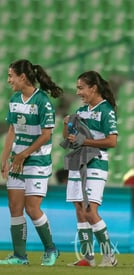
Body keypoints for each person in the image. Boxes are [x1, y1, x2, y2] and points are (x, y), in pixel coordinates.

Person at [0, 59, 62, 266]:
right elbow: (12, 130)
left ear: (22, 77)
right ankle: (19, 256)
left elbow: (46, 135)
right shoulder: (15, 99)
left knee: (32, 208)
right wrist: (4, 157)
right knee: (14, 207)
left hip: (37, 160)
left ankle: (51, 249)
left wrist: (24, 154)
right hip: (18, 160)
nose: (8, 81)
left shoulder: (42, 101)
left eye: (10, 76)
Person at [63, 71, 118, 267]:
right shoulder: (82, 110)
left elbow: (112, 141)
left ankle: (109, 256)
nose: (78, 92)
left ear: (93, 88)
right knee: (79, 208)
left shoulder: (106, 110)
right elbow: (70, 140)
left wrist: (84, 140)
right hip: (78, 162)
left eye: (81, 88)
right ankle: (88, 257)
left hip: (96, 163)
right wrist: (67, 125)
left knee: (89, 210)